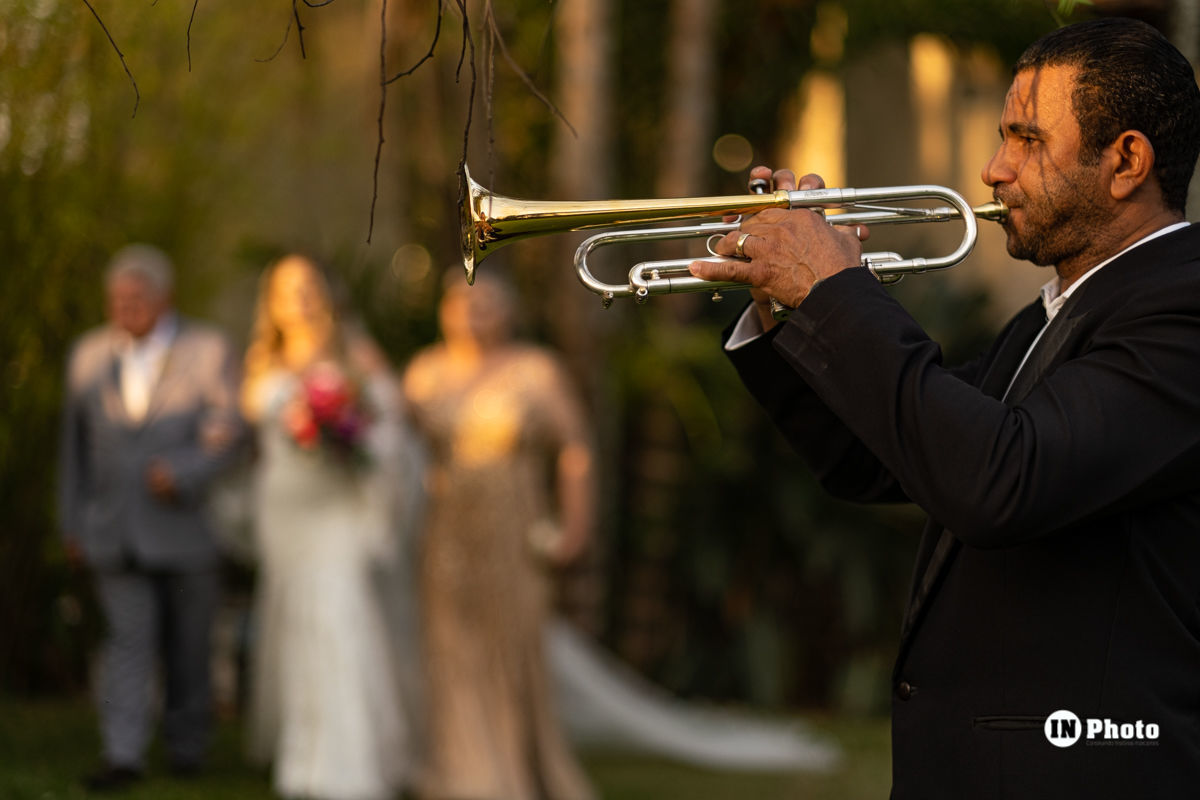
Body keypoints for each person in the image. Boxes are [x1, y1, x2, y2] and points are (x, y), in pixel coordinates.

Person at [687, 17, 1200, 800]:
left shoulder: (1183, 311)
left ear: (1127, 161)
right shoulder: (1053, 316)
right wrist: (783, 306)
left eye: (1028, 139)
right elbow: (878, 457)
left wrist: (834, 290)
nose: (994, 169)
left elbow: (1001, 479)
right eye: (1002, 136)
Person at [57, 243, 246, 791]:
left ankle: (187, 746)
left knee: (190, 647)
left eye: (137, 297)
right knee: (126, 640)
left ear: (166, 299)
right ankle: (123, 754)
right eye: (117, 298)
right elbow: (73, 450)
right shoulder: (87, 355)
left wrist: (183, 471)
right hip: (112, 529)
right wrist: (72, 522)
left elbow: (230, 430)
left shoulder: (208, 349)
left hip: (187, 529)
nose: (126, 307)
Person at [402, 272, 595, 800]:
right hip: (446, 529)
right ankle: (458, 771)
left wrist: (574, 525)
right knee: (450, 647)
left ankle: (515, 766)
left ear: (509, 312)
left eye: (485, 301)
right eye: (460, 302)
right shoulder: (424, 372)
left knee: (512, 644)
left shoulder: (536, 369)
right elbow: (391, 452)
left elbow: (575, 447)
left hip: (514, 525)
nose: (471, 311)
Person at [241, 254, 421, 800]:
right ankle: (303, 752)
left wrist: (350, 431)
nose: (299, 298)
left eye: (308, 286)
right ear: (271, 302)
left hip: (341, 509)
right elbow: (252, 422)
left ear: (324, 292)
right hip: (285, 511)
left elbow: (392, 415)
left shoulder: (354, 349)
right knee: (296, 625)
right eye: (286, 289)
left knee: (341, 615)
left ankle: (352, 761)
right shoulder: (263, 360)